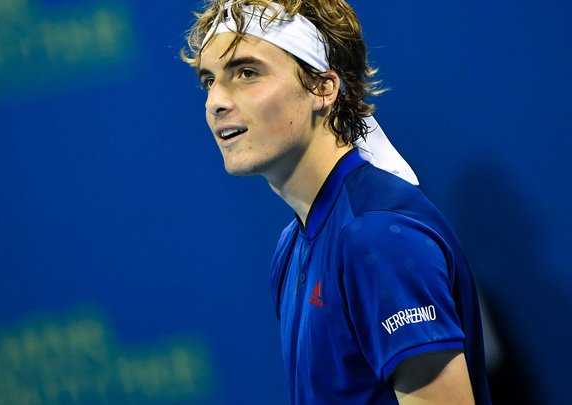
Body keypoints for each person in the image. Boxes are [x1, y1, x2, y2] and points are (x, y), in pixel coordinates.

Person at [182, 0, 491, 404]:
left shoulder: (376, 238)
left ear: (323, 88)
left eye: (246, 73)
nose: (215, 102)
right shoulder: (292, 245)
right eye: (209, 80)